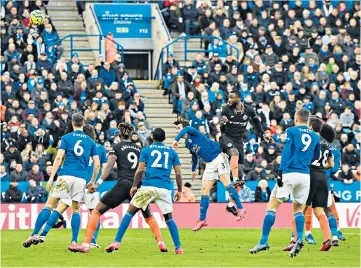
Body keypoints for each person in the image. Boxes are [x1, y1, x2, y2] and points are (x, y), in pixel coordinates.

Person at [68, 123, 166, 254]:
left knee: (96, 211)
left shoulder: (117, 147)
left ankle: (86, 244)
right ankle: (160, 242)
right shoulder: (139, 148)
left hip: (123, 184)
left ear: (119, 134)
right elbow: (143, 168)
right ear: (131, 134)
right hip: (137, 185)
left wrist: (97, 184)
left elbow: (108, 167)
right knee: (148, 215)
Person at [249, 108, 320, 258]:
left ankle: (263, 241)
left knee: (272, 205)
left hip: (288, 173)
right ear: (308, 120)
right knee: (298, 209)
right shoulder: (314, 136)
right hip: (304, 176)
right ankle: (299, 238)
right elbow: (316, 155)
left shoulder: (291, 130)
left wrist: (281, 171)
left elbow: (287, 150)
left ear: (296, 118)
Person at [23, 114, 100, 248]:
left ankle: (35, 233)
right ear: (83, 124)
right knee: (76, 210)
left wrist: (51, 177)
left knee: (49, 205)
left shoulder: (66, 138)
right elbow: (97, 164)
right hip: (81, 179)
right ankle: (74, 242)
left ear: (72, 123)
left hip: (65, 176)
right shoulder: (90, 142)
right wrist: (92, 180)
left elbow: (58, 158)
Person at [104, 128, 184, 254]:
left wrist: (134, 185)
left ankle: (117, 241)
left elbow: (140, 170)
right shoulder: (172, 152)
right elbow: (178, 174)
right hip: (164, 188)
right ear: (164, 138)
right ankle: (178, 247)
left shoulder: (146, 150)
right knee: (169, 218)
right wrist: (179, 190)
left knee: (129, 212)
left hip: (148, 187)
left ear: (152, 136)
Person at [172, 117, 245, 231]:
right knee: (204, 191)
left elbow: (186, 128)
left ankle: (240, 208)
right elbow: (194, 155)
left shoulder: (193, 132)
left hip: (218, 157)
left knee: (226, 184)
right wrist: (193, 170)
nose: (177, 131)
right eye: (176, 129)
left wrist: (175, 140)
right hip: (209, 164)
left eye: (178, 128)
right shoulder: (187, 143)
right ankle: (202, 220)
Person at [283, 117, 335, 252]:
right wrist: (320, 169)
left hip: (309, 175)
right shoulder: (327, 143)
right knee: (319, 210)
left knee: (299, 210)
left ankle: (293, 240)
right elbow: (331, 164)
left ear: (310, 127)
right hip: (322, 176)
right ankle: (327, 239)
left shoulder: (311, 139)